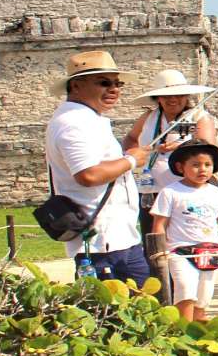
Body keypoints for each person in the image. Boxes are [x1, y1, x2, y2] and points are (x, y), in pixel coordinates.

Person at [44, 51, 152, 282]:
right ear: (76, 86)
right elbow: (88, 174)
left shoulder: (87, 120)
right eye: (104, 83)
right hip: (101, 242)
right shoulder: (74, 123)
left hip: (117, 236)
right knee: (112, 313)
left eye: (117, 83)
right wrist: (131, 160)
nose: (114, 89)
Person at [150, 139, 218, 321]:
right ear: (180, 166)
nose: (202, 169)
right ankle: (181, 330)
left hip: (210, 252)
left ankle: (198, 329)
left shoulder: (217, 193)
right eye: (195, 165)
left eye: (207, 165)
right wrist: (160, 250)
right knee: (185, 291)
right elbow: (159, 224)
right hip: (180, 252)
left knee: (204, 296)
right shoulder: (170, 192)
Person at [123, 69, 218, 242]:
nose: (173, 99)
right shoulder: (148, 117)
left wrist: (181, 147)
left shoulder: (198, 117)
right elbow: (130, 138)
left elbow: (207, 147)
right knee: (154, 245)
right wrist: (132, 154)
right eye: (167, 96)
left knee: (183, 242)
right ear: (158, 98)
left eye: (179, 95)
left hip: (185, 195)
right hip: (150, 193)